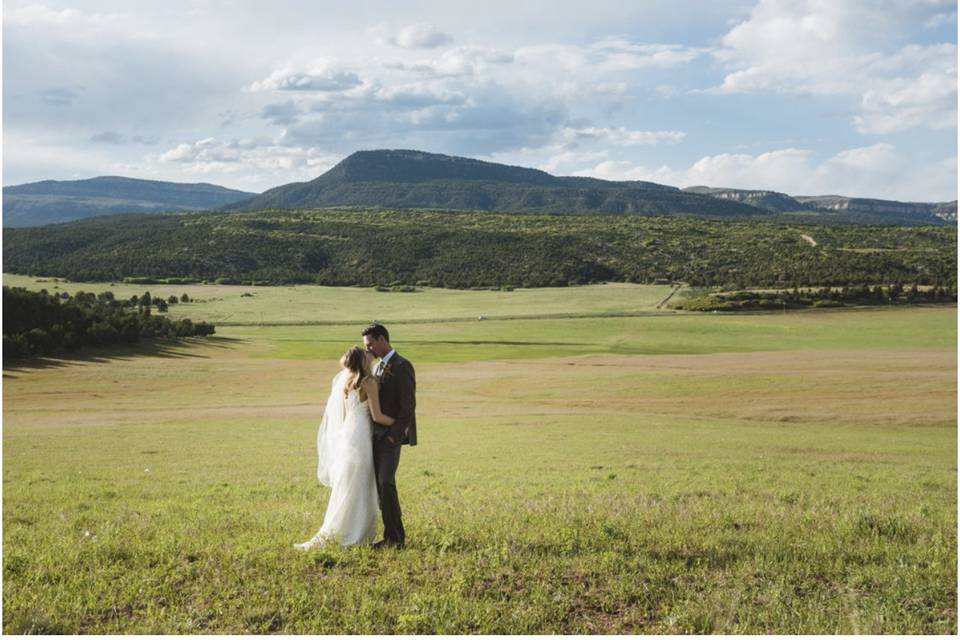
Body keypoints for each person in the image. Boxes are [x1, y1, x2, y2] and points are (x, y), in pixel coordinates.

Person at [295, 346, 396, 549]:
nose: (371, 353)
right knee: (361, 483)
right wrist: (398, 423)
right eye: (367, 353)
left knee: (348, 482)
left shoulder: (347, 382)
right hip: (362, 437)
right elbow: (377, 416)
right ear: (363, 360)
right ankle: (356, 531)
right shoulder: (369, 383)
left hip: (349, 435)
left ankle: (340, 526)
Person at [362, 323, 417, 550]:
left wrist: (394, 436)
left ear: (382, 339)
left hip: (390, 438)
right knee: (380, 486)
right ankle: (391, 535)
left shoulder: (402, 366)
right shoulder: (376, 368)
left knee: (386, 482)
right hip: (374, 437)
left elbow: (408, 407)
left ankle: (395, 538)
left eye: (371, 344)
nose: (369, 349)